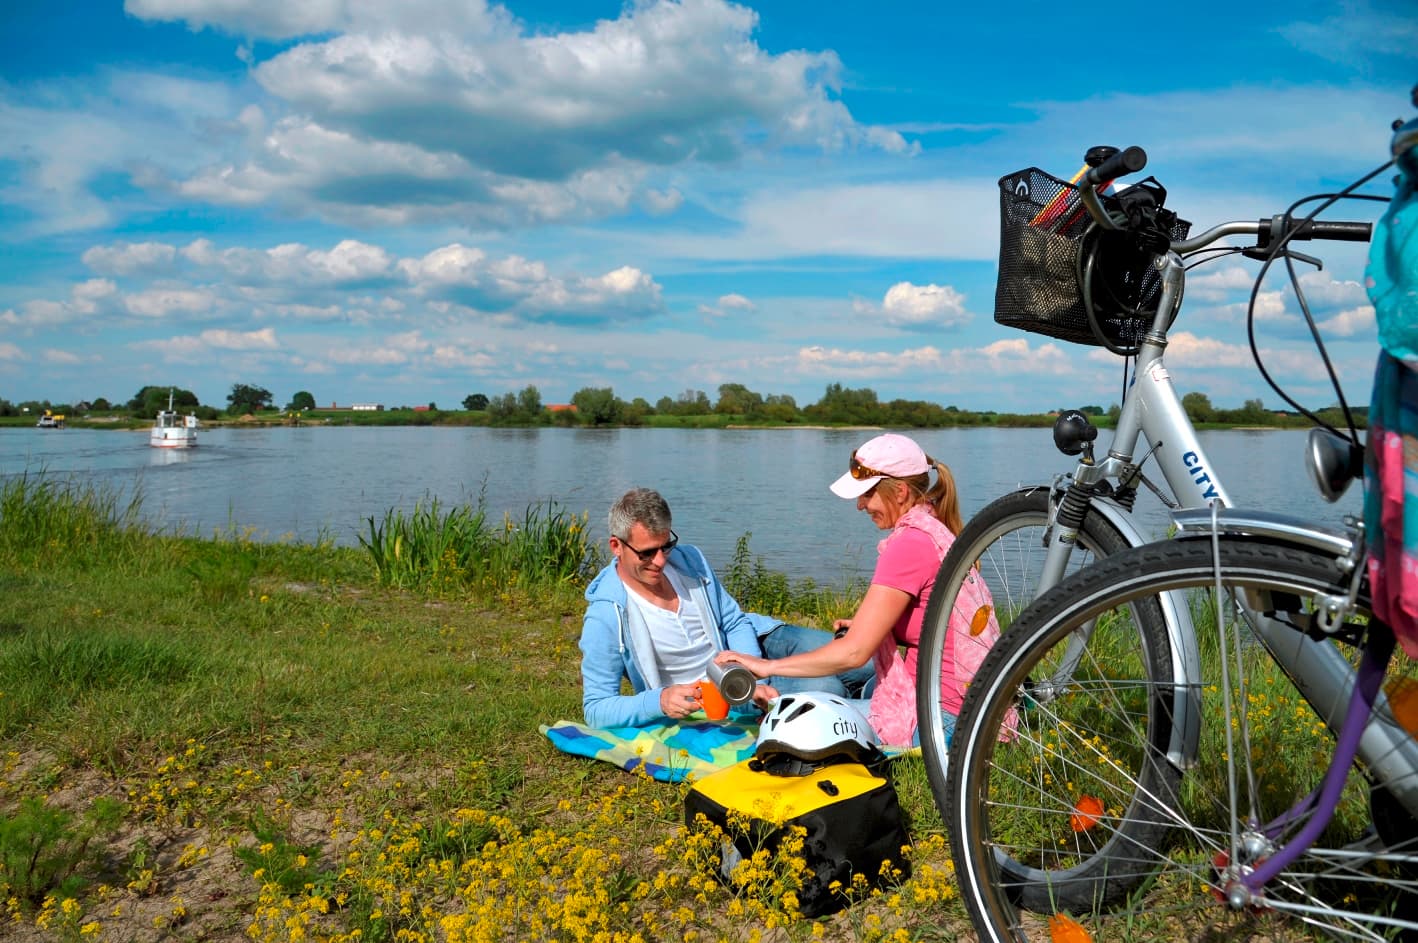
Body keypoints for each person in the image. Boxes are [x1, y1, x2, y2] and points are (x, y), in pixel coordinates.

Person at [715, 433, 1001, 747]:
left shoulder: (908, 544)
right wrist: (872, 624)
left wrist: (764, 666)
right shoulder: (935, 528)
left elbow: (854, 653)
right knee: (862, 690)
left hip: (939, 721)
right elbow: (931, 616)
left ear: (901, 491)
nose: (860, 505)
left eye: (866, 494)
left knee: (791, 720)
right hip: (971, 709)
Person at [580, 487, 873, 728]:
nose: (660, 561)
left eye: (665, 546)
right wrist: (659, 701)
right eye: (646, 553)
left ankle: (877, 692)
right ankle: (884, 707)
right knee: (828, 688)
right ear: (616, 546)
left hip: (755, 644)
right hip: (723, 693)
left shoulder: (689, 560)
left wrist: (754, 673)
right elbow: (596, 708)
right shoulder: (606, 615)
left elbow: (734, 622)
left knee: (868, 658)